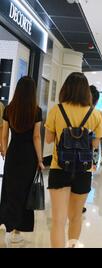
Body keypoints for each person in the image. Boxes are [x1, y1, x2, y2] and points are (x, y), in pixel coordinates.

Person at [45, 72, 102, 248]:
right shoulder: (95, 114)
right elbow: (94, 144)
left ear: (66, 88)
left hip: (59, 168)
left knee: (58, 220)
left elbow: (48, 138)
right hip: (83, 171)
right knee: (76, 216)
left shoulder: (57, 109)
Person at [0, 77, 43, 244]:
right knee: (25, 192)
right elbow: (37, 137)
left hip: (13, 154)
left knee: (10, 190)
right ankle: (17, 231)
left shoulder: (9, 109)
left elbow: (4, 134)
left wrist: (4, 150)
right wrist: (40, 159)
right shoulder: (36, 111)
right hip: (29, 156)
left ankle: (6, 223)